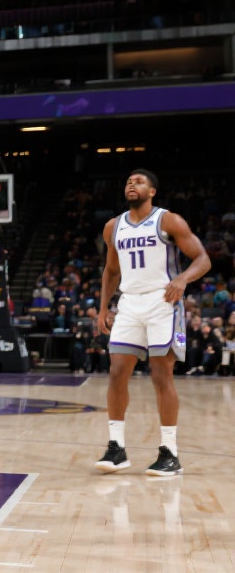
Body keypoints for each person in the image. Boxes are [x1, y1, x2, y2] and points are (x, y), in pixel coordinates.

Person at [94, 169, 210, 477]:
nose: (132, 184)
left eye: (139, 181)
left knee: (161, 375)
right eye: (128, 181)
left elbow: (203, 258)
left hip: (163, 301)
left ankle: (170, 452)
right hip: (129, 303)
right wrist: (103, 308)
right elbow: (111, 270)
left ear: (152, 191)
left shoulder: (168, 220)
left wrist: (183, 279)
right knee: (117, 372)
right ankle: (116, 448)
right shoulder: (113, 226)